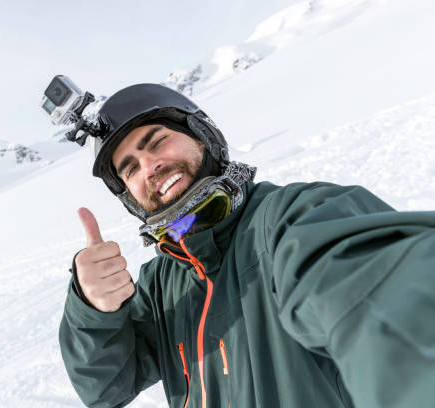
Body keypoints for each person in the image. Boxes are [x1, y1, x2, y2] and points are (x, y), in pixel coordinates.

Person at [58, 83, 435, 408]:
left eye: (156, 142)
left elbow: (374, 294)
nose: (149, 167)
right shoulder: (161, 283)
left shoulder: (293, 218)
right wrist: (94, 309)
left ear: (202, 134)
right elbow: (105, 387)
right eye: (130, 169)